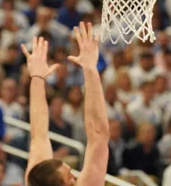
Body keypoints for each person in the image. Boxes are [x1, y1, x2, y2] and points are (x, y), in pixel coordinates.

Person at [24, 22, 109, 186]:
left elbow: (39, 136)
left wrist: (37, 78)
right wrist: (90, 68)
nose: (74, 177)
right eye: (70, 175)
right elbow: (98, 134)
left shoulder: (36, 181)